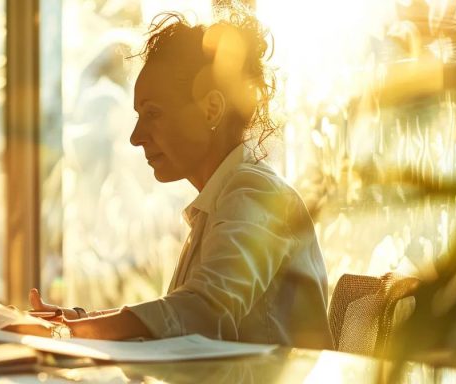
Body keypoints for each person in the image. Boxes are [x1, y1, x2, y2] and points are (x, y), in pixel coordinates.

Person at [17, 7, 333, 348]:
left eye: (153, 113)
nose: (136, 137)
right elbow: (179, 317)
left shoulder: (255, 193)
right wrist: (78, 320)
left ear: (211, 109)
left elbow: (203, 312)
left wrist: (66, 333)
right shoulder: (221, 202)